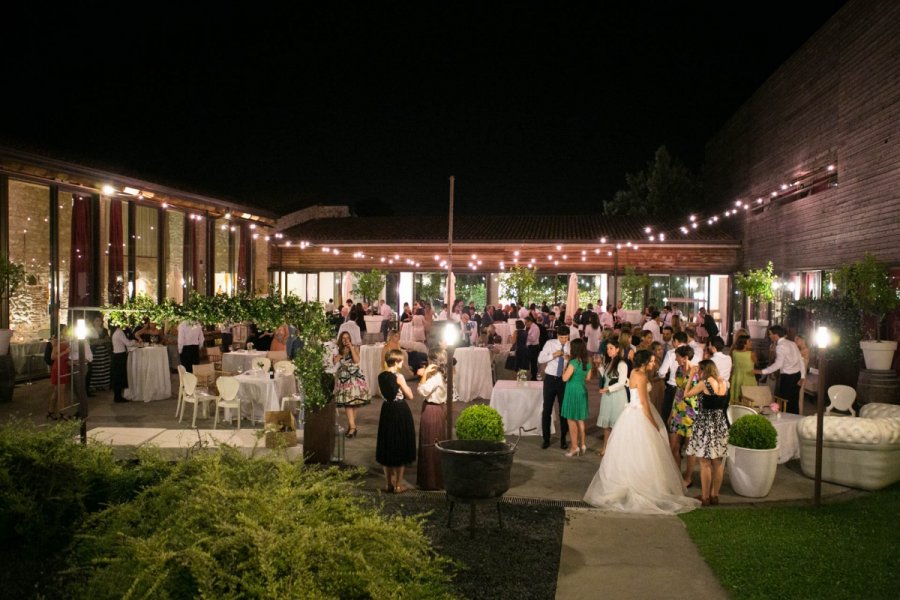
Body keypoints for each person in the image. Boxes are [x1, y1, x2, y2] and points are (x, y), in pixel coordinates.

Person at [583, 350, 699, 514]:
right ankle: (643, 484)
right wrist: (654, 424)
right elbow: (644, 403)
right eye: (651, 361)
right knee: (646, 452)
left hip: (629, 413)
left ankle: (629, 480)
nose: (653, 364)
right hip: (640, 413)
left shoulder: (634, 371)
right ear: (645, 362)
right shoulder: (642, 377)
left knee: (632, 451)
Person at [684, 360, 730, 506]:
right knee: (718, 462)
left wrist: (691, 376)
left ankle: (705, 497)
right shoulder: (724, 383)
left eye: (699, 370)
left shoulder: (705, 383)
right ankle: (714, 495)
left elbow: (686, 394)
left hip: (706, 423)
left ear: (704, 370)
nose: (698, 372)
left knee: (704, 462)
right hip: (720, 423)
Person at [376, 349, 417, 494]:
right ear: (397, 361)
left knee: (388, 444)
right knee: (400, 444)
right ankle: (398, 484)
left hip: (387, 410)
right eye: (401, 361)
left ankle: (388, 484)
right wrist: (402, 384)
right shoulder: (398, 376)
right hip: (400, 410)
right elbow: (410, 396)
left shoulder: (381, 376)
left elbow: (386, 394)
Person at [417, 348, 449, 490]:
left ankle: (431, 481)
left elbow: (422, 391)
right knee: (437, 442)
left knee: (430, 443)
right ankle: (438, 478)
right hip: (440, 409)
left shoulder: (436, 377)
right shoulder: (443, 374)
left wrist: (423, 376)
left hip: (431, 410)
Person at [754, 325, 805, 413]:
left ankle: (786, 423)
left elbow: (778, 364)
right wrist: (803, 376)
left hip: (787, 378)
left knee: (785, 402)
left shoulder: (780, 346)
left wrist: (762, 371)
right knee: (794, 402)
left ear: (776, 335)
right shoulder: (792, 343)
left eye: (770, 334)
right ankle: (795, 422)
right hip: (797, 376)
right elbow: (801, 360)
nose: (769, 336)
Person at [668, 346, 699, 487]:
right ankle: (676, 475)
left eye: (677, 356)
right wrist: (671, 413)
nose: (675, 358)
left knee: (689, 448)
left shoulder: (698, 371)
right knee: (673, 446)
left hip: (691, 412)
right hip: (677, 411)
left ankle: (688, 477)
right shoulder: (679, 370)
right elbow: (678, 392)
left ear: (685, 357)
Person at [537, 325, 571, 450]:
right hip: (550, 378)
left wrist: (569, 358)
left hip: (564, 380)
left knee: (563, 410)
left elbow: (576, 362)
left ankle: (563, 439)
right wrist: (553, 355)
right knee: (547, 409)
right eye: (561, 337)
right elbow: (540, 359)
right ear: (557, 336)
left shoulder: (570, 346)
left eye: (566, 338)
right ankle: (546, 439)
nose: (563, 340)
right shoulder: (550, 344)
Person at [333, 331, 370, 438]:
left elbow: (357, 360)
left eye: (348, 338)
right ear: (340, 339)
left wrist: (352, 348)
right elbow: (335, 362)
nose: (346, 340)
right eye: (343, 338)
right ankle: (352, 427)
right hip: (343, 379)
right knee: (348, 403)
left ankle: (352, 427)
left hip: (354, 378)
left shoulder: (354, 348)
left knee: (353, 404)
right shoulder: (338, 349)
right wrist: (340, 356)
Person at [561, 338, 593, 457]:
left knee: (571, 419)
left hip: (572, 391)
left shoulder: (573, 363)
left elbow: (565, 378)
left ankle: (574, 447)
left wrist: (564, 370)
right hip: (582, 390)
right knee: (580, 419)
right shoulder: (587, 363)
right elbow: (588, 378)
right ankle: (582, 444)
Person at [596, 339, 628, 456]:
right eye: (607, 348)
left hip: (617, 396)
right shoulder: (610, 362)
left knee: (616, 424)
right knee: (607, 425)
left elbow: (621, 382)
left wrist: (608, 389)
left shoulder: (622, 364)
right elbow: (607, 377)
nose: (608, 351)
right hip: (607, 395)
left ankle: (616, 450)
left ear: (617, 349)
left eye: (611, 348)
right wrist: (600, 367)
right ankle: (605, 447)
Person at [111, 324, 139, 403]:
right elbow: (128, 343)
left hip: (117, 355)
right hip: (119, 356)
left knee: (118, 376)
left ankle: (118, 396)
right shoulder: (120, 332)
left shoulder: (116, 332)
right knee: (119, 376)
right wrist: (135, 341)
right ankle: (118, 397)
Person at [729, 334, 758, 404]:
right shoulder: (752, 354)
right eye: (749, 341)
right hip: (748, 378)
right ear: (744, 344)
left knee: (737, 397)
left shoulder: (734, 352)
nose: (751, 342)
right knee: (749, 398)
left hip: (737, 377)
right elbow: (756, 363)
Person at [47, 336, 70, 419]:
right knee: (61, 392)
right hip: (59, 368)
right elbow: (52, 357)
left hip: (63, 367)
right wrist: (65, 352)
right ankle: (62, 412)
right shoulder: (57, 343)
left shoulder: (66, 342)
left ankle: (51, 411)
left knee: (57, 391)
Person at [525, 315, 541, 380]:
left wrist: (525, 335)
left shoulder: (535, 328)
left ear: (530, 322)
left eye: (526, 323)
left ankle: (534, 377)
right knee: (531, 362)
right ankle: (532, 375)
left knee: (533, 363)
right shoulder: (531, 327)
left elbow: (533, 339)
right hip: (531, 347)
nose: (525, 324)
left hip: (534, 347)